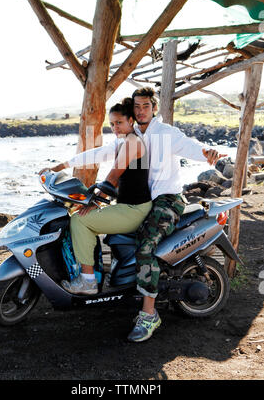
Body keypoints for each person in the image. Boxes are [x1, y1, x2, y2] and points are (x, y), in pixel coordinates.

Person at [126, 87, 226, 342]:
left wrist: (208, 153)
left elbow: (190, 146)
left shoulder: (166, 133)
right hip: (143, 202)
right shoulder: (133, 133)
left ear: (154, 108)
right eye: (136, 106)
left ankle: (149, 315)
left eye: (145, 106)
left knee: (145, 248)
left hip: (167, 201)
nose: (140, 111)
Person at [39, 98, 152, 296]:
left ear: (130, 122)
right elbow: (94, 154)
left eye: (119, 123)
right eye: (112, 123)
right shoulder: (123, 141)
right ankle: (90, 272)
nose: (115, 127)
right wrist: (59, 167)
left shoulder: (132, 142)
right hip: (129, 207)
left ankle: (88, 281)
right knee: (82, 214)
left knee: (79, 221)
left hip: (134, 210)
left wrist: (96, 200)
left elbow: (113, 176)